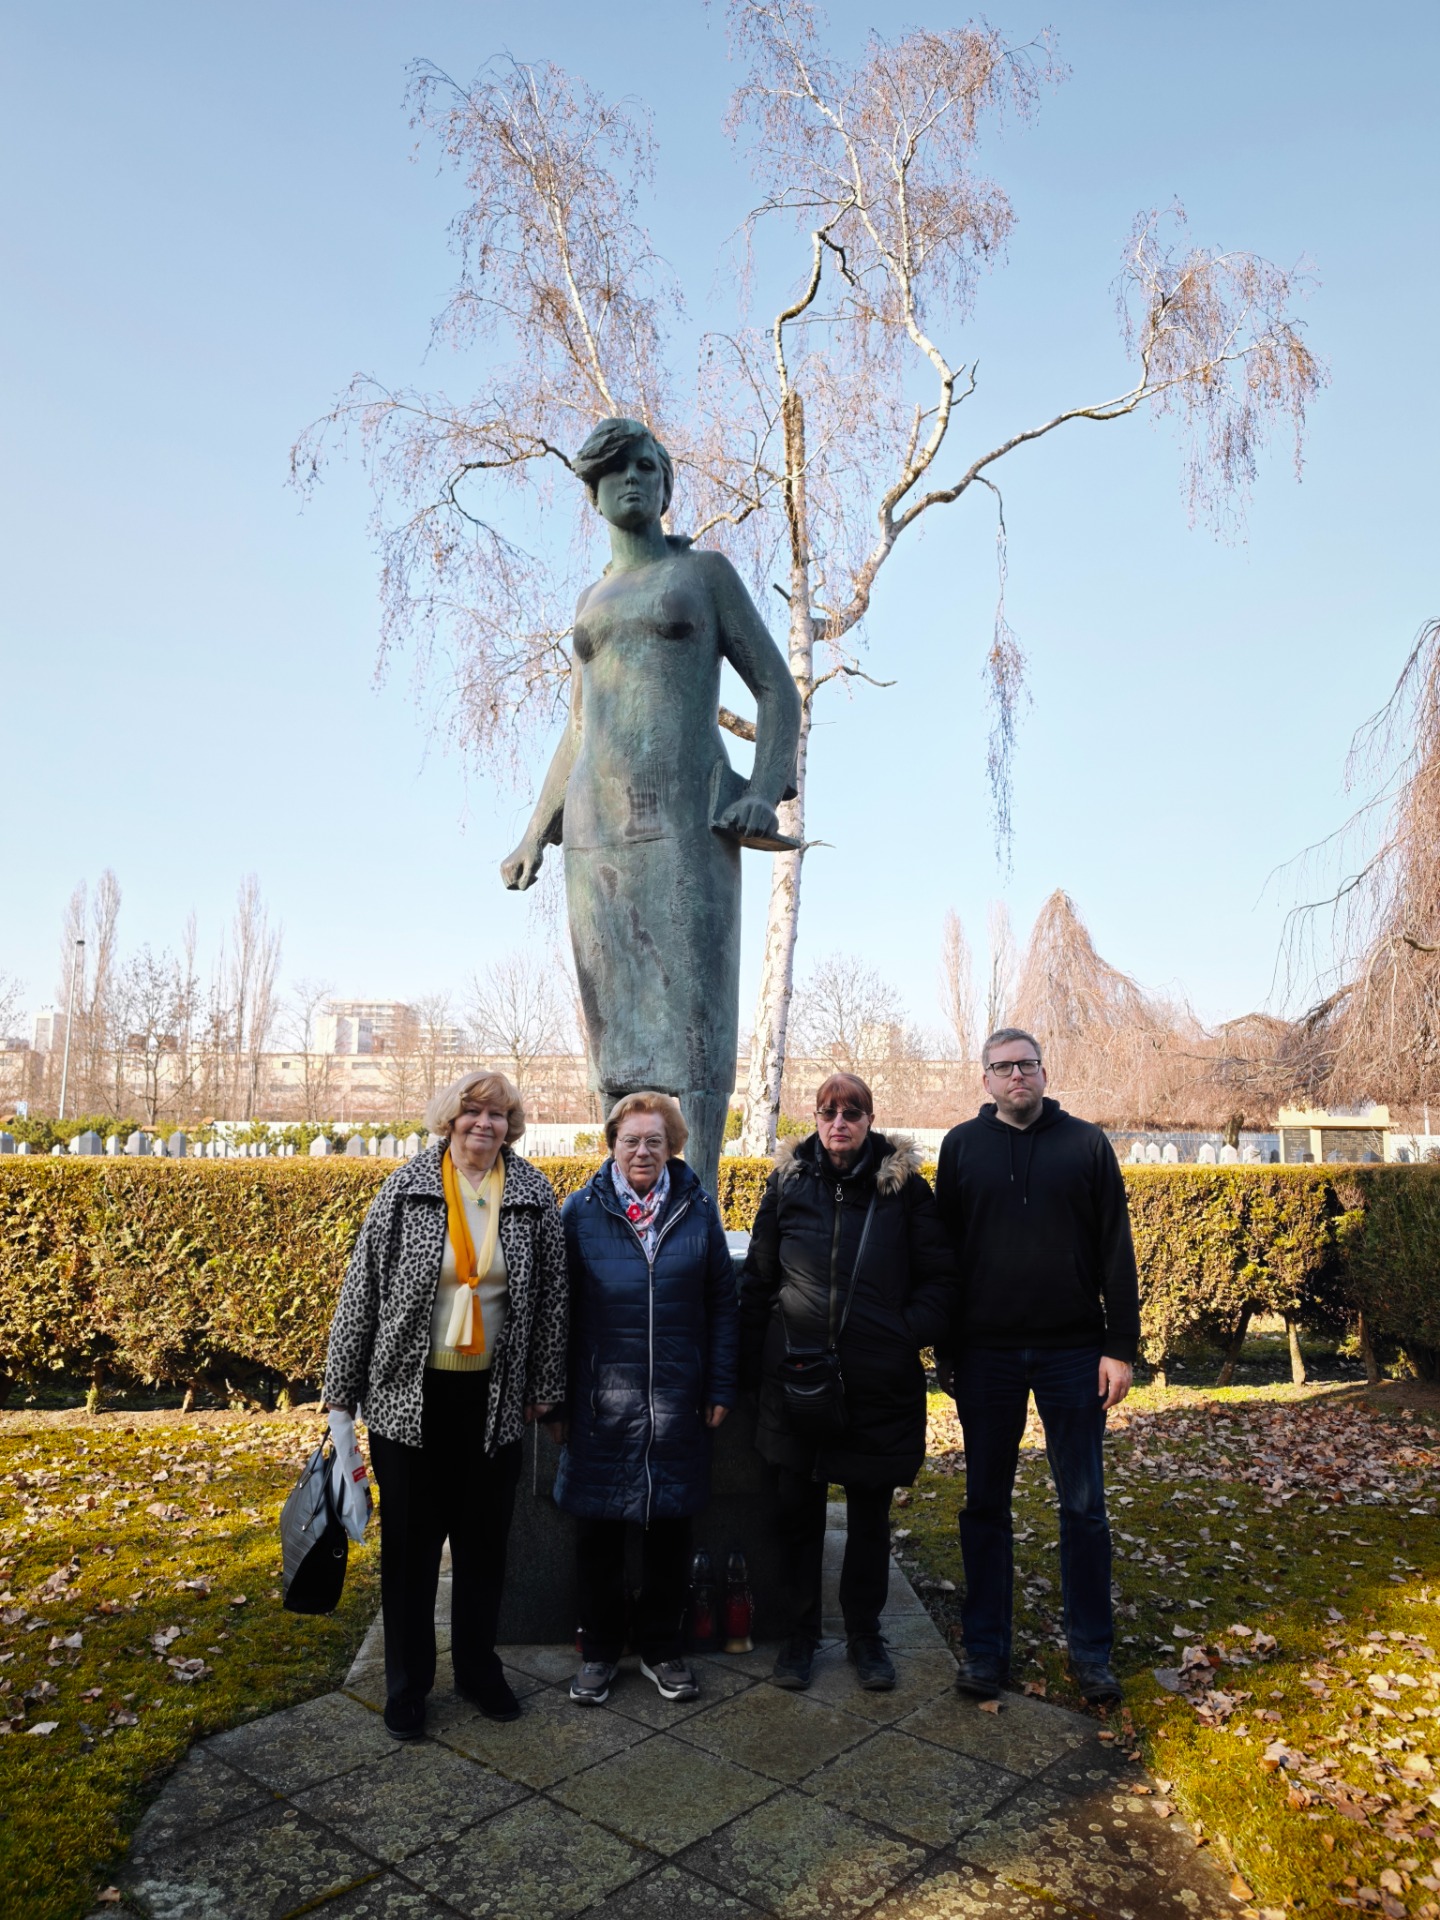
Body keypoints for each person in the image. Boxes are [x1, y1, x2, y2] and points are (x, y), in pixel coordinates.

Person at [501, 415, 801, 1198]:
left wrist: (763, 790)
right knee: (615, 1033)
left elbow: (777, 687)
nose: (632, 478)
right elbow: (578, 727)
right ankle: (619, 1208)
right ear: (594, 493)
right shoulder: (591, 599)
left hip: (685, 821)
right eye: (616, 469)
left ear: (666, 487)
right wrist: (534, 834)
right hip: (596, 829)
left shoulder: (704, 575)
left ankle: (693, 1213)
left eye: (647, 466)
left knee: (695, 1028)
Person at [323, 1070, 568, 1739]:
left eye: (498, 1114)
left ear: (511, 1126)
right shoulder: (406, 1188)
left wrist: (545, 1388)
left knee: (484, 1547)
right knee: (410, 1550)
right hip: (409, 1398)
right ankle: (407, 1685)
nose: (485, 1124)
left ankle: (478, 1671)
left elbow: (553, 1299)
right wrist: (341, 1393)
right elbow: (362, 1291)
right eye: (473, 1111)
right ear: (451, 1118)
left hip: (493, 1400)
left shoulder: (532, 1195)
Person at [933, 1028, 1140, 1706]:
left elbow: (1115, 1249)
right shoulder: (961, 1147)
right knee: (984, 1505)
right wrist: (948, 1350)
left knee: (1083, 1506)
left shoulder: (1086, 1145)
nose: (1016, 1076)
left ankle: (1091, 1653)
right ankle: (986, 1649)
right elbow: (945, 1255)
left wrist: (1119, 1347)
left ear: (1044, 1073)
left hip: (1072, 1353)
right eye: (1003, 1067)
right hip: (986, 1353)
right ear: (986, 1080)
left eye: (1026, 1065)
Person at [739, 1074, 958, 1693]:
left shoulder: (905, 1189)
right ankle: (800, 1634)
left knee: (868, 1517)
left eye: (852, 1113)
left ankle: (865, 1635)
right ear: (814, 1118)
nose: (839, 1123)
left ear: (869, 1119)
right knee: (797, 1511)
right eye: (828, 1112)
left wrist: (899, 1334)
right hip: (796, 1379)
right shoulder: (787, 1184)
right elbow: (758, 1279)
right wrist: (745, 1369)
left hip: (876, 1383)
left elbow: (941, 1280)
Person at [555, 1092, 739, 1706]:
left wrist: (720, 1384)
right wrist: (556, 1399)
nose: (642, 1151)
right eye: (631, 1140)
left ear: (672, 1147)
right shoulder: (580, 1212)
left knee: (670, 1534)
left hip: (676, 1404)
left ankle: (663, 1649)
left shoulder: (697, 1210)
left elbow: (722, 1304)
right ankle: (601, 1651)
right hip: (601, 1404)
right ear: (613, 1143)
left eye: (654, 1141)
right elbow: (557, 1312)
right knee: (598, 1538)